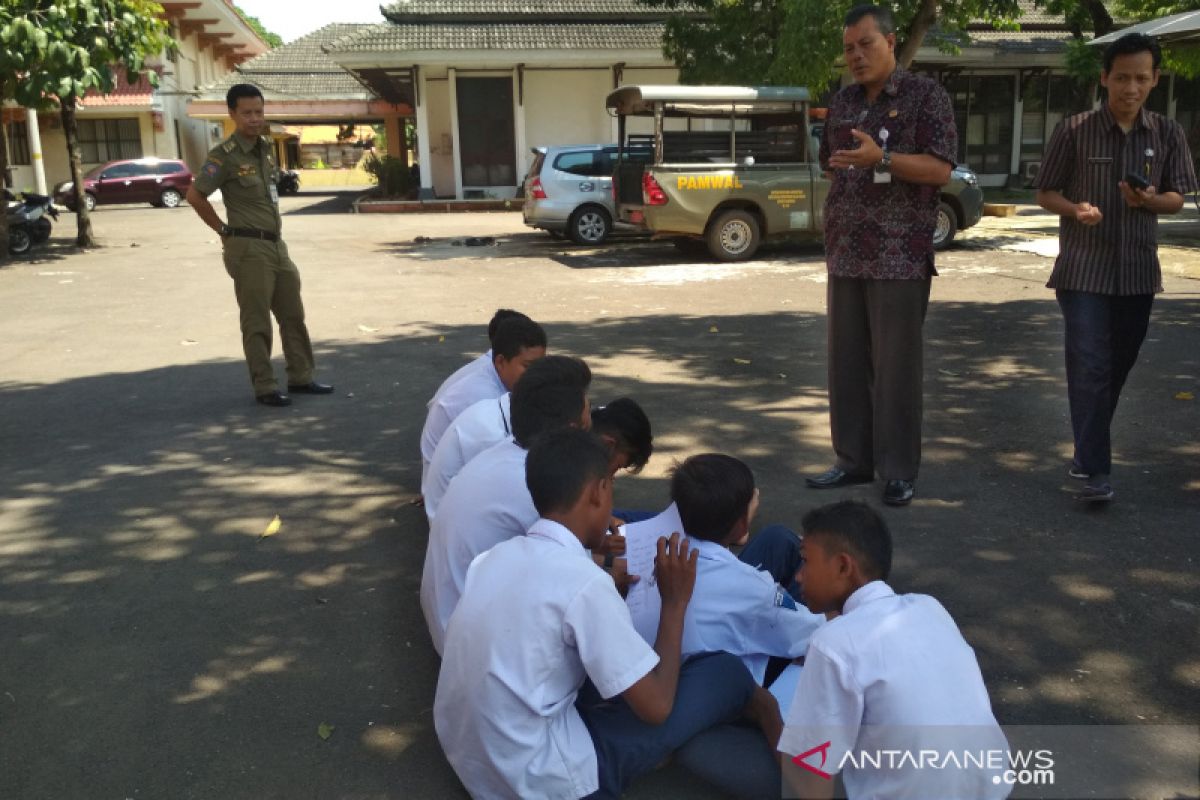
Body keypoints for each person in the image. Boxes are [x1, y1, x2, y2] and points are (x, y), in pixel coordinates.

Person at [435, 427, 779, 799]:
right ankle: (776, 728)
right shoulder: (584, 583)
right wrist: (674, 603)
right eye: (611, 487)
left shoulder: (493, 557)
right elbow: (657, 707)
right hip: (546, 779)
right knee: (724, 671)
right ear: (598, 492)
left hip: (472, 756)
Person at [804, 5, 957, 506]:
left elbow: (939, 171)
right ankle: (853, 461)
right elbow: (833, 165)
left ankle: (897, 470)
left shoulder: (925, 97)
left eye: (865, 44)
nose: (856, 55)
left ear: (891, 42)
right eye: (849, 47)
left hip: (900, 254)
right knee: (845, 364)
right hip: (846, 250)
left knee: (895, 367)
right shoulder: (843, 100)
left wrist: (883, 159)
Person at [1035, 33, 1197, 504]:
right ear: (1104, 78)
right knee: (1090, 366)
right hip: (1084, 270)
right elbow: (1045, 192)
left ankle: (1088, 447)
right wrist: (1075, 209)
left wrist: (1149, 199)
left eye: (1141, 78)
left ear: (1155, 80)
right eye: (1121, 77)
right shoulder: (1074, 129)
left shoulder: (1168, 133)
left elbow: (1177, 198)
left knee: (1115, 367)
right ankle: (1092, 471)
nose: (1131, 87)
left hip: (1138, 272)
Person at [778, 500, 1007, 799]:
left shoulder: (832, 643)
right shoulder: (930, 606)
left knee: (754, 755)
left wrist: (768, 715)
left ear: (843, 566)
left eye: (805, 561)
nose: (798, 576)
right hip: (993, 789)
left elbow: (811, 781)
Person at [663, 454, 826, 799]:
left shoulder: (658, 549)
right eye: (753, 500)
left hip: (677, 666)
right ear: (739, 525)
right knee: (818, 646)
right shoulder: (751, 590)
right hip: (728, 697)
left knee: (779, 540)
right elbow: (817, 637)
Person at [420, 355, 593, 655]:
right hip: (480, 648)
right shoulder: (540, 485)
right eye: (587, 429)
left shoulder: (505, 452)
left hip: (454, 617)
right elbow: (578, 582)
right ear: (569, 430)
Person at [186, 84, 333, 407]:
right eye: (247, 113)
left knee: (293, 314)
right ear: (233, 114)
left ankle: (301, 376)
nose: (255, 119)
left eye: (259, 112)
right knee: (257, 320)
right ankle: (265, 386)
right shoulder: (223, 156)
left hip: (276, 245)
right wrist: (222, 229)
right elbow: (195, 196)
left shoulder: (265, 148)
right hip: (248, 248)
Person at [423, 395, 653, 521]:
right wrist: (606, 557)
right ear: (607, 444)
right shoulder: (544, 474)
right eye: (615, 470)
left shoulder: (514, 447)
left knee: (639, 521)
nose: (610, 477)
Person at [418, 315, 546, 483]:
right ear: (500, 362)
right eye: (528, 366)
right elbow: (498, 463)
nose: (537, 373)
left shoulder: (497, 377)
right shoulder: (483, 397)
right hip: (447, 491)